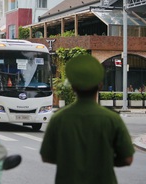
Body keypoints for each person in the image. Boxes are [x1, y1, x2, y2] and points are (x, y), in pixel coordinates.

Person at [40, 55, 135, 184]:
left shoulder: (59, 119)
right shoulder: (112, 119)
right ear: (100, 86)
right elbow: (127, 159)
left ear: (73, 87)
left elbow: (46, 156)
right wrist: (105, 161)